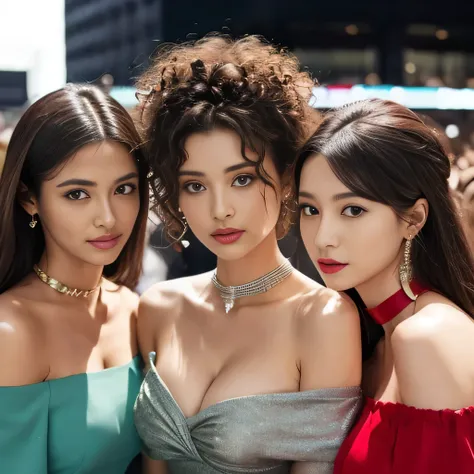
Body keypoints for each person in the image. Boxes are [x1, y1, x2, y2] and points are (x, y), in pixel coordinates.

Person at [133, 35, 362, 474]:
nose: (220, 209)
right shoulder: (159, 308)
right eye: (196, 186)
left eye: (242, 179)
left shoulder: (324, 319)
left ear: (287, 176)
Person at [295, 98, 474, 474]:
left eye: (353, 210)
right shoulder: (372, 335)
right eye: (310, 209)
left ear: (413, 218)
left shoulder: (428, 337)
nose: (323, 237)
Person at [0, 84, 149, 474]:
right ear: (30, 199)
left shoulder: (135, 310)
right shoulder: (12, 330)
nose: (107, 217)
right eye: (77, 194)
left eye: (124, 189)